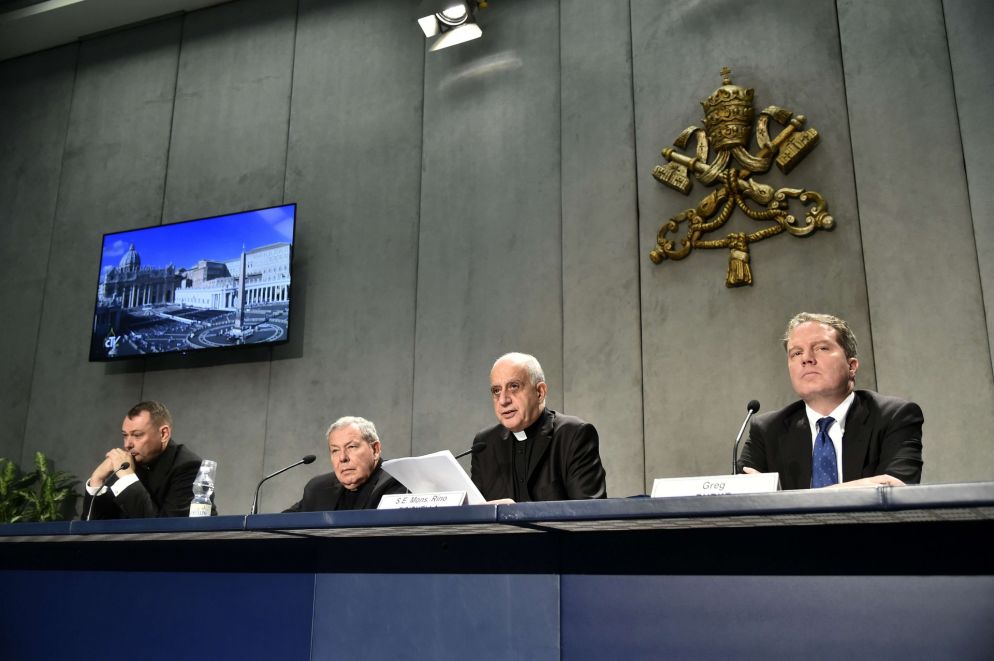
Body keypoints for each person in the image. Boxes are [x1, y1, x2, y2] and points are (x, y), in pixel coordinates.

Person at [738, 312, 924, 490]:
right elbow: (742, 498)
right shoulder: (767, 430)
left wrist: (790, 500)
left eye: (821, 348)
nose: (807, 359)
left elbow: (895, 486)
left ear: (851, 366)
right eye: (796, 353)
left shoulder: (894, 416)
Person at [470, 352, 607, 502]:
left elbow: (589, 513)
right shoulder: (485, 444)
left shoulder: (573, 435)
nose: (503, 400)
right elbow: (475, 515)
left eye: (514, 386)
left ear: (540, 392)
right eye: (496, 390)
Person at [83, 401, 214, 519]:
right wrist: (96, 480)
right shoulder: (128, 464)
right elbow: (91, 531)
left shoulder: (189, 467)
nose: (127, 444)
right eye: (125, 436)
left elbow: (166, 532)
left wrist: (127, 479)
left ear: (164, 434)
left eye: (137, 435)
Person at [284, 416, 406, 512]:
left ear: (375, 449)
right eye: (335, 450)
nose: (342, 458)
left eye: (351, 447)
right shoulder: (319, 488)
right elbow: (281, 524)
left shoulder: (399, 480)